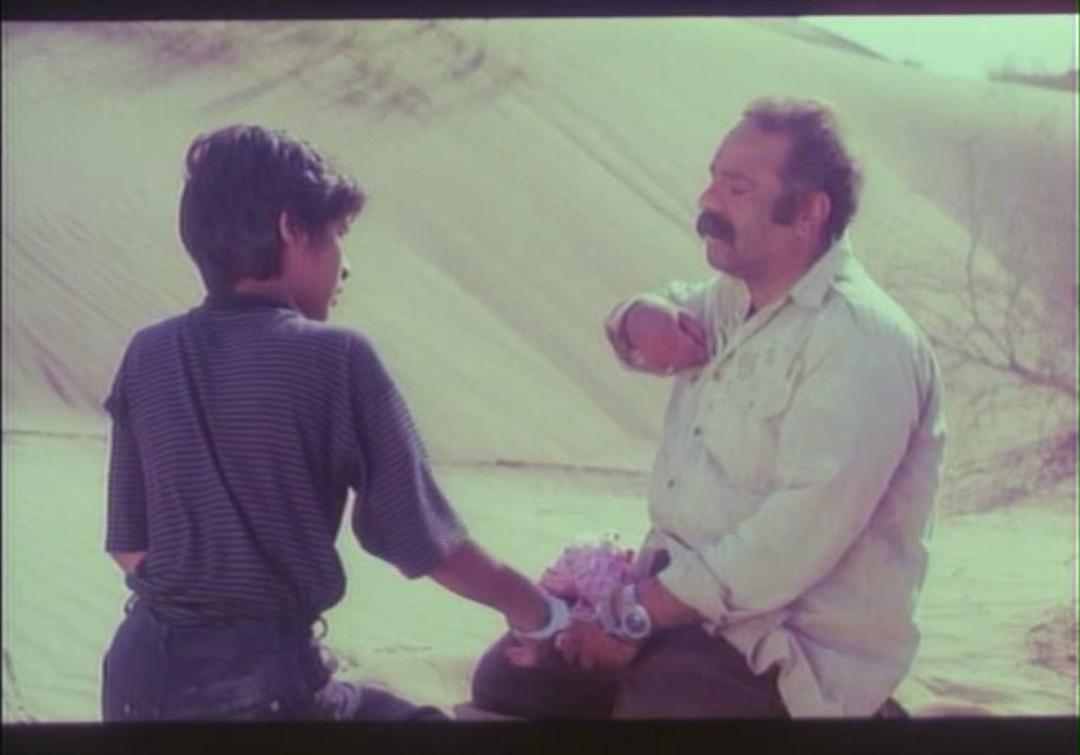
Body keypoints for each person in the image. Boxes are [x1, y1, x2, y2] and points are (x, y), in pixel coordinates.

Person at [470, 97, 946, 719]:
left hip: (781, 646)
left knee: (663, 706)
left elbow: (794, 539)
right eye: (714, 179)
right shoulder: (730, 300)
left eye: (737, 189)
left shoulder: (860, 341)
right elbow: (648, 313)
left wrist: (633, 617)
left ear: (808, 211)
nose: (707, 201)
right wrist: (638, 318)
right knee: (509, 679)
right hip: (677, 610)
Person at [100, 124, 571, 721]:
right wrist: (539, 611)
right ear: (292, 230)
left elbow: (130, 545)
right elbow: (426, 542)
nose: (346, 267)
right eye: (338, 236)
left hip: (134, 679)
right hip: (263, 692)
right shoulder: (336, 357)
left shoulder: (147, 352)